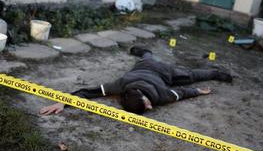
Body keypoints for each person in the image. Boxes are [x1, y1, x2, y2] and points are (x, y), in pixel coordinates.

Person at [40, 46, 232, 115]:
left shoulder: (161, 96)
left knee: (190, 76)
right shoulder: (121, 86)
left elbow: (182, 92)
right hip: (144, 66)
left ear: (143, 97)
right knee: (147, 57)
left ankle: (216, 73)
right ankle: (143, 52)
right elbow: (88, 93)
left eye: (147, 105)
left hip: (164, 72)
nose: (150, 108)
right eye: (148, 107)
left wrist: (198, 91)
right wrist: (64, 103)